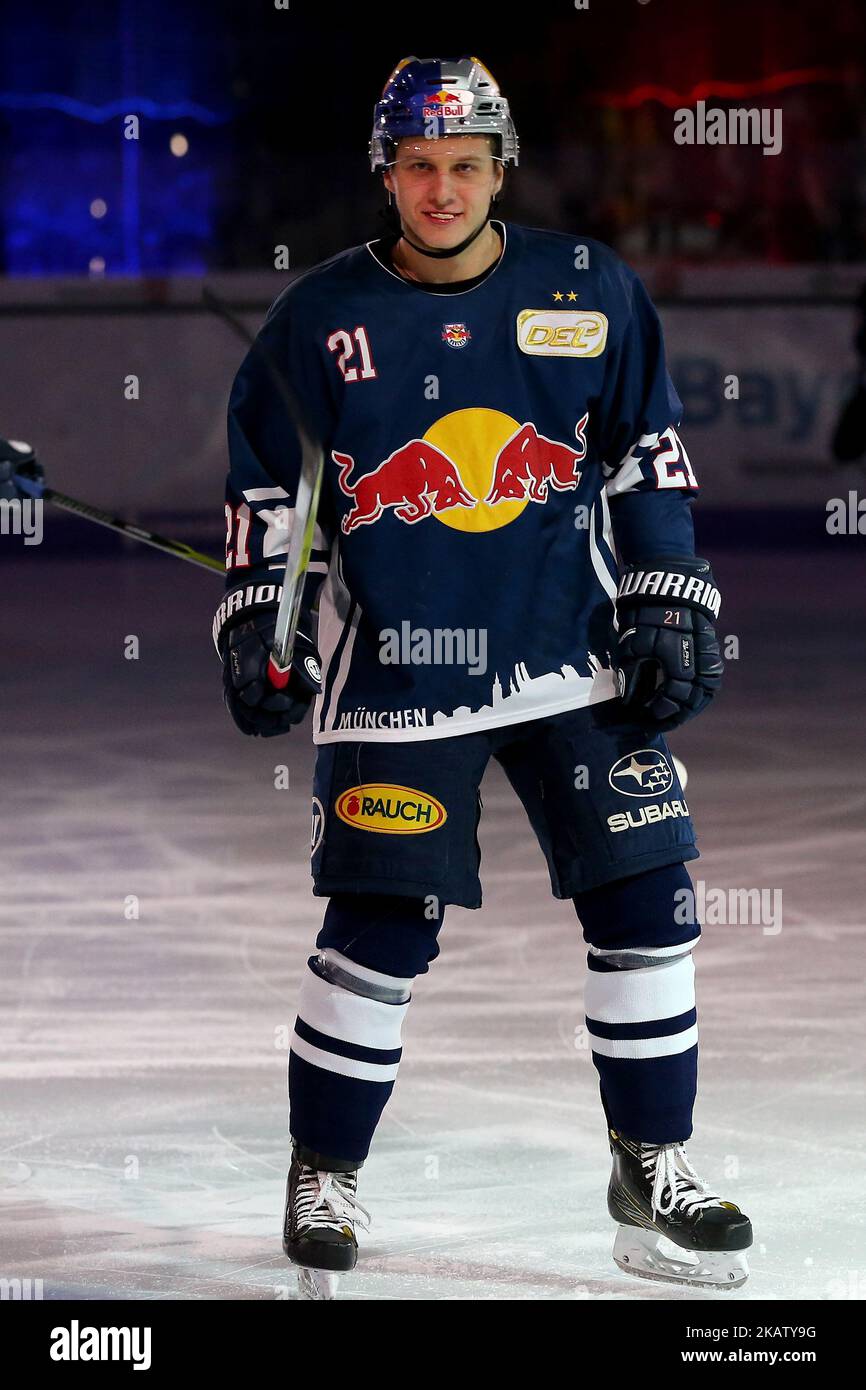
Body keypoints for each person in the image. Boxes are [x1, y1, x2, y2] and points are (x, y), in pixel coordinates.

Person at [215, 55, 752, 1299]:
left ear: (498, 167)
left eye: (464, 164)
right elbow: (270, 495)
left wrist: (667, 589)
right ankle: (324, 1170)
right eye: (417, 165)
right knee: (380, 928)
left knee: (649, 902)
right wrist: (261, 615)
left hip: (572, 654)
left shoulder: (588, 289)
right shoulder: (319, 320)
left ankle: (651, 1162)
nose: (440, 188)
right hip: (405, 667)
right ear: (385, 174)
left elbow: (645, 460)